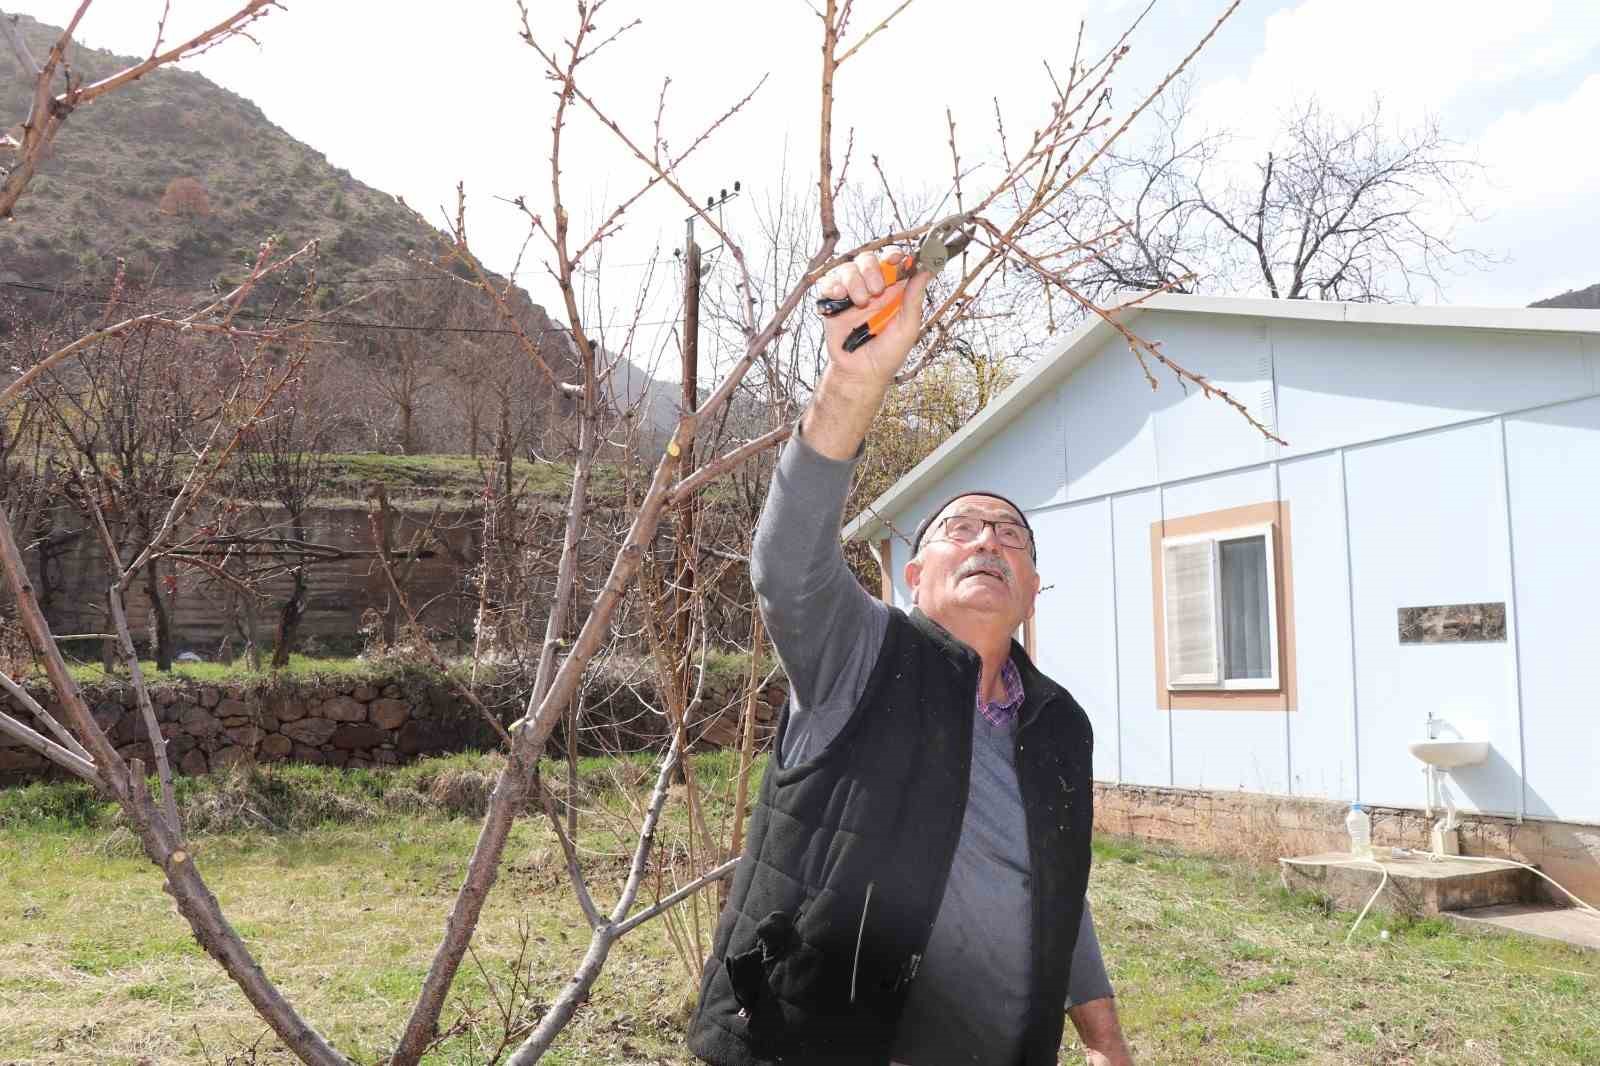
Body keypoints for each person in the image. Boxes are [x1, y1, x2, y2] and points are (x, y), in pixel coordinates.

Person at [687, 253, 1133, 1066]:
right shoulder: (863, 652)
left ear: (1033, 589)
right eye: (960, 528)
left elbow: (1056, 882)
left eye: (1011, 536)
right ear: (910, 577)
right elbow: (785, 567)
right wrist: (853, 385)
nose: (989, 539)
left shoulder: (1060, 722)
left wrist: (1104, 1039)